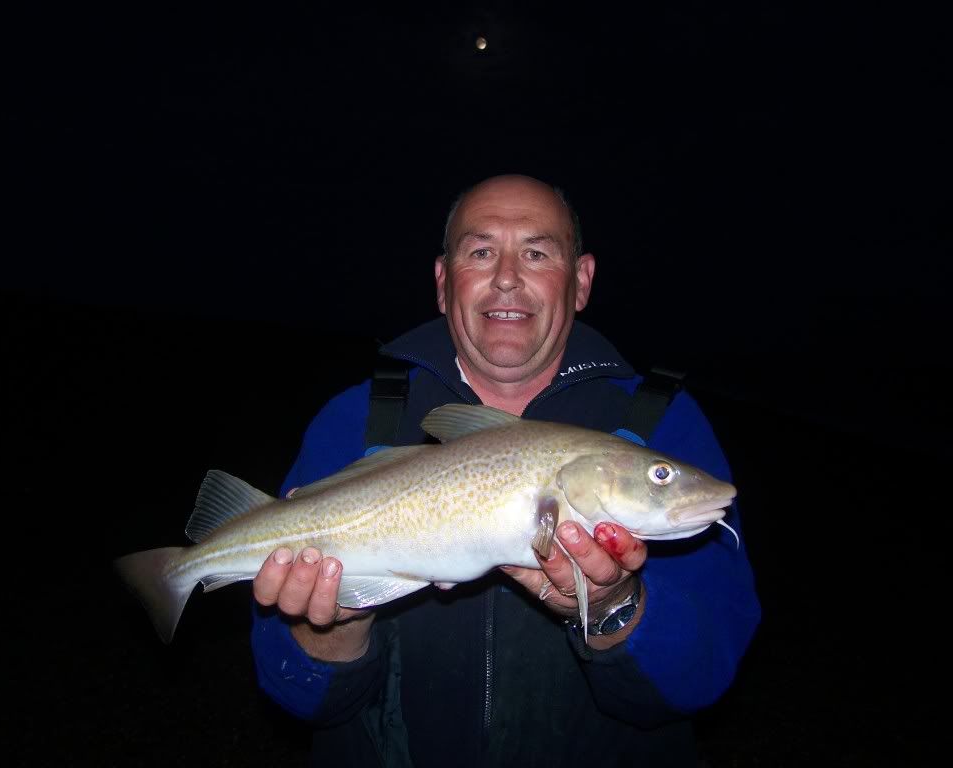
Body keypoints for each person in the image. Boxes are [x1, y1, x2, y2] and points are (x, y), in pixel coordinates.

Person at [250, 175, 760, 767]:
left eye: (538, 252)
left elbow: (701, 679)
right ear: (444, 283)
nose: (508, 276)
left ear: (582, 280)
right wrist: (329, 628)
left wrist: (616, 606)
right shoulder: (354, 420)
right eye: (481, 251)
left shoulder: (665, 423)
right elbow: (298, 698)